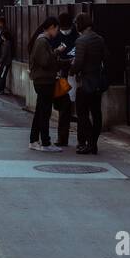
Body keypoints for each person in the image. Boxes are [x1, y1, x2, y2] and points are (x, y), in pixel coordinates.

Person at [70, 14, 107, 154]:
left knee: (82, 114)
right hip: (97, 82)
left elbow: (78, 62)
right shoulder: (100, 39)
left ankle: (90, 143)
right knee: (97, 113)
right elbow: (106, 58)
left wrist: (72, 71)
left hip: (85, 83)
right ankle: (94, 143)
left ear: (80, 24)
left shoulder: (81, 41)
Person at [28, 17, 65, 151]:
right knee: (44, 112)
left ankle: (34, 140)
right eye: (57, 29)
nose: (57, 32)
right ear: (52, 27)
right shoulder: (43, 41)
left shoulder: (41, 40)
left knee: (40, 111)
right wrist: (57, 55)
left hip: (41, 80)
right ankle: (45, 143)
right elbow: (45, 62)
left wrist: (54, 53)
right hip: (44, 81)